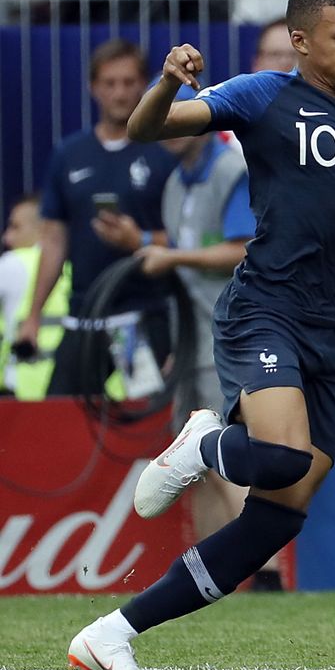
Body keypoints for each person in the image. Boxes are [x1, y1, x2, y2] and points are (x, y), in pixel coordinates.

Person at [66, 0, 335, 670]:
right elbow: (147, 129)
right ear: (300, 42)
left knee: (278, 516)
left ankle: (110, 634)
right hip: (267, 308)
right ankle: (204, 442)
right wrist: (166, 81)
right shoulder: (262, 95)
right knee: (280, 458)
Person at [131, 84, 261, 560]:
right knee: (194, 468)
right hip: (193, 343)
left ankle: (265, 570)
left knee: (223, 455)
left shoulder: (231, 171)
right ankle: (208, 573)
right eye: (162, 117)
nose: (170, 127)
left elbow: (244, 249)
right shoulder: (174, 183)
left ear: (202, 119)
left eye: (178, 115)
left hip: (230, 337)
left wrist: (171, 257)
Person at [16, 38, 179, 398]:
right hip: (85, 315)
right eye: (110, 83)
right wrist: (33, 316)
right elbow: (54, 241)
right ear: (93, 87)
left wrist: (139, 241)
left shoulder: (165, 153)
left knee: (153, 420)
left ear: (144, 85)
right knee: (60, 415)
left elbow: (188, 238)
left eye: (128, 82)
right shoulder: (68, 155)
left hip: (145, 314)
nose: (120, 93)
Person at [0, 196, 70, 399]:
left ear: (42, 229)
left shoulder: (12, 264)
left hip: (22, 387)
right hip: (68, 384)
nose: (7, 238)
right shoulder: (72, 267)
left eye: (16, 227)